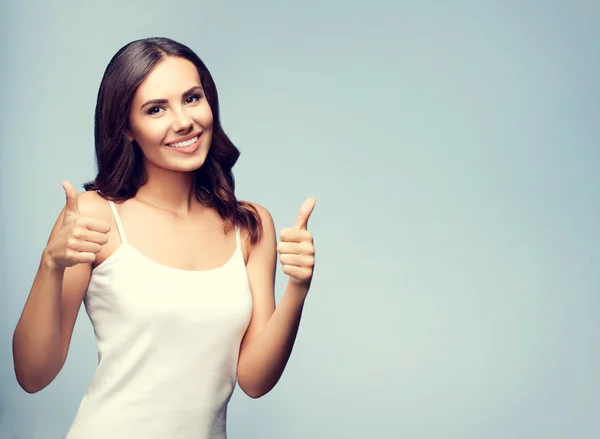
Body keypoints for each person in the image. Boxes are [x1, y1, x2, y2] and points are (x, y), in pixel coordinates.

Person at [12, 37, 316, 439]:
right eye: (156, 109)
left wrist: (298, 287)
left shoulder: (250, 225)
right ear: (127, 128)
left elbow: (255, 381)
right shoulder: (95, 215)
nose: (183, 121)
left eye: (192, 99)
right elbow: (33, 376)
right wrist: (50, 267)